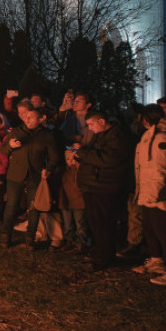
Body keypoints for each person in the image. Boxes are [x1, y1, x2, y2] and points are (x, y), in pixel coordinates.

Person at [68, 109, 131, 269]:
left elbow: (107, 159)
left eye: (91, 124)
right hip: (93, 185)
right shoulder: (100, 135)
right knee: (95, 222)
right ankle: (98, 252)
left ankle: (104, 258)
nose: (89, 128)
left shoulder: (117, 137)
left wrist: (82, 152)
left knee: (103, 223)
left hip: (104, 186)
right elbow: (93, 154)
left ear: (101, 121)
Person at [132, 104, 166, 286]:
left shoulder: (161, 139)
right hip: (150, 192)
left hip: (162, 194)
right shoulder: (151, 138)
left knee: (161, 230)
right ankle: (157, 261)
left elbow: (160, 170)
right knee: (149, 227)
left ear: (147, 120)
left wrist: (154, 194)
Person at [0, 107, 61, 248]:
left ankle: (30, 239)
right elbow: (3, 149)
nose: (27, 119)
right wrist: (10, 145)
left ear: (41, 119)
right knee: (11, 206)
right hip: (15, 175)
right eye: (26, 116)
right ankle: (5, 237)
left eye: (31, 117)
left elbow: (54, 157)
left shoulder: (47, 135)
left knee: (34, 208)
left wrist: (48, 169)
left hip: (35, 176)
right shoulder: (17, 131)